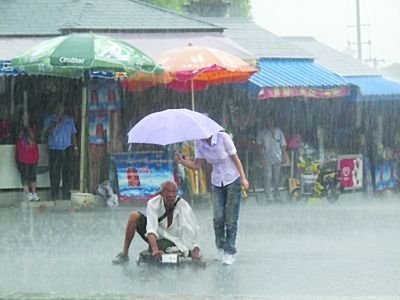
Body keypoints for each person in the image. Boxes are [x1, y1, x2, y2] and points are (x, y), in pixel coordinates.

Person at [175, 131, 249, 265]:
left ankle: (230, 251)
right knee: (218, 217)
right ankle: (220, 247)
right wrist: (182, 161)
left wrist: (243, 178)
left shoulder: (223, 138)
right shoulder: (200, 143)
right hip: (216, 181)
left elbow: (236, 159)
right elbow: (197, 165)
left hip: (232, 179)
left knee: (230, 218)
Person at [112, 180, 202, 264]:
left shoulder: (183, 205)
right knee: (134, 216)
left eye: (174, 192)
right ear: (161, 194)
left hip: (174, 240)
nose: (171, 195)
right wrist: (155, 250)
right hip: (157, 236)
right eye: (168, 192)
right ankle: (124, 253)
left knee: (177, 248)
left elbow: (191, 229)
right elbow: (151, 228)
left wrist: (195, 248)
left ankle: (163, 248)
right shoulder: (153, 203)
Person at [43, 102, 79, 200]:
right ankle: (54, 193)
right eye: (58, 108)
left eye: (61, 108)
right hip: (54, 148)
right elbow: (46, 133)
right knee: (55, 172)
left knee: (67, 171)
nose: (60, 110)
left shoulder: (69, 119)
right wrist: (56, 123)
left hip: (67, 148)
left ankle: (66, 192)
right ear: (55, 109)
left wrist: (76, 148)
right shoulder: (49, 119)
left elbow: (73, 134)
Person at [256, 114, 289, 203]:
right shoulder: (262, 133)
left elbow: (283, 145)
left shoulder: (279, 132)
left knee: (276, 177)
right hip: (267, 157)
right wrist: (261, 157)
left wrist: (285, 155)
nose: (270, 122)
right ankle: (268, 196)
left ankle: (277, 195)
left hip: (277, 156)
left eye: (271, 120)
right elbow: (259, 145)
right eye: (268, 120)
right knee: (268, 177)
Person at [15, 112, 40, 201]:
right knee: (24, 175)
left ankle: (34, 193)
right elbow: (18, 136)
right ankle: (27, 193)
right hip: (23, 155)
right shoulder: (18, 127)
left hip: (33, 155)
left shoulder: (33, 127)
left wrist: (28, 127)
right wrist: (23, 127)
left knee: (33, 175)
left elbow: (33, 137)